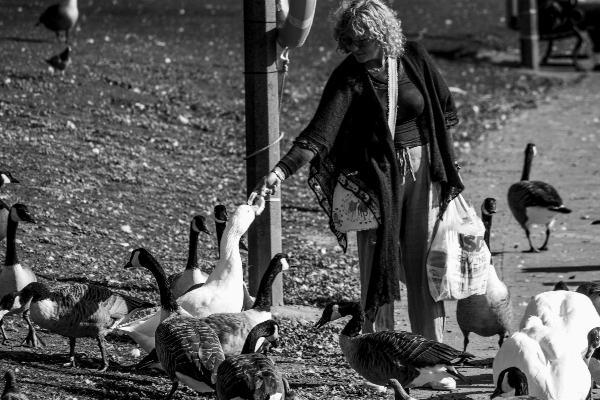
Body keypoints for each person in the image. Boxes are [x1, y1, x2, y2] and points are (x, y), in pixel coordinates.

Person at [248, 0, 463, 386]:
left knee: (420, 269)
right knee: (376, 271)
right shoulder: (349, 77)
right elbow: (320, 133)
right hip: (373, 181)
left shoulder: (413, 57)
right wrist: (281, 171)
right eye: (346, 41)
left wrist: (447, 165)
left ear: (382, 34)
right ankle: (382, 357)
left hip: (422, 169)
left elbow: (443, 109)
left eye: (360, 40)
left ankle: (432, 359)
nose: (353, 48)